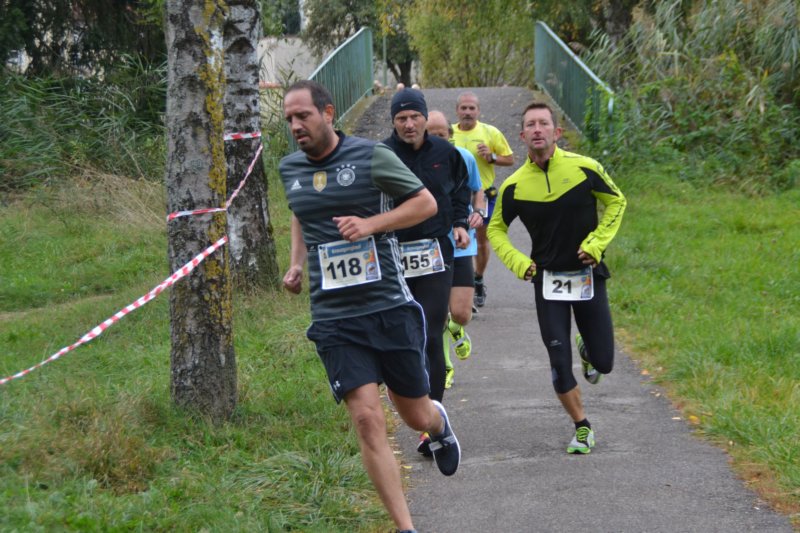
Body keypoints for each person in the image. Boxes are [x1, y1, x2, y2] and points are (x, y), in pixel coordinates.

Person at [280, 80, 461, 533]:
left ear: (327, 113)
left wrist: (371, 224)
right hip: (334, 317)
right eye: (289, 119)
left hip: (387, 306)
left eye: (303, 115)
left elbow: (425, 203)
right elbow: (301, 212)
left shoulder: (372, 156)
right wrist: (296, 264)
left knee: (414, 414)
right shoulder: (290, 168)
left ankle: (438, 426)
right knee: (366, 417)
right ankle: (406, 527)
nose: (296, 125)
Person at [486, 101, 626, 454]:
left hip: (587, 275)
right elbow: (496, 229)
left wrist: (596, 244)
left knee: (604, 362)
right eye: (530, 125)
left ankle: (588, 350)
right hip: (548, 282)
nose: (537, 129)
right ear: (522, 136)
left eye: (544, 123)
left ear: (556, 132)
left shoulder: (585, 168)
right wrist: (519, 263)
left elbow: (617, 202)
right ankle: (582, 427)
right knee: (558, 362)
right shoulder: (514, 185)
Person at [382, 90, 471, 455]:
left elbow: (461, 190)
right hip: (393, 254)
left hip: (435, 253)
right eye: (401, 118)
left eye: (414, 117)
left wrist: (461, 222)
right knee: (404, 335)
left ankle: (433, 423)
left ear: (424, 118)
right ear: (393, 122)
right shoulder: (382, 155)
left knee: (431, 332)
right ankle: (411, 400)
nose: (409, 124)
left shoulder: (446, 153)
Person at [426, 110, 485, 389]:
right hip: (430, 245)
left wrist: (479, 212)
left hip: (461, 242)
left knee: (461, 313)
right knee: (435, 314)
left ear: (450, 135)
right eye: (431, 134)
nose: (437, 138)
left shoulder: (464, 157)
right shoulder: (415, 161)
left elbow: (477, 189)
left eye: (441, 134)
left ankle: (456, 327)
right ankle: (446, 367)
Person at [451, 91, 514, 309]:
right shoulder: (449, 133)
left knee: (481, 240)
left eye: (472, 108)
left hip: (483, 195)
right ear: (457, 110)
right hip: (455, 196)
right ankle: (461, 282)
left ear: (478, 111)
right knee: (457, 237)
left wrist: (492, 157)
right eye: (464, 108)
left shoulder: (490, 132)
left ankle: (478, 278)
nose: (467, 112)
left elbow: (510, 159)